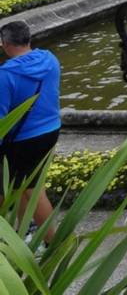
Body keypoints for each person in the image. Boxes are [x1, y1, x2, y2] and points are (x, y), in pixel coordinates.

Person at [0, 20, 61, 242]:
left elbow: (2, 119)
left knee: (31, 191)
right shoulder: (50, 59)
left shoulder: (5, 75)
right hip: (51, 129)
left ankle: (53, 243)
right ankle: (25, 231)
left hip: (22, 139)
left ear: (5, 44)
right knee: (21, 185)